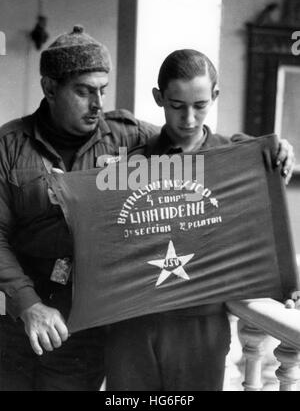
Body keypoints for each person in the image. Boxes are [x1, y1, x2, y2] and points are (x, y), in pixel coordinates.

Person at [104, 49, 296, 391]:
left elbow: (260, 233)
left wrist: (282, 282)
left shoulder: (240, 160)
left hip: (202, 327)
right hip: (132, 323)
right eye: (177, 106)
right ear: (159, 98)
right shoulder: (129, 166)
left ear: (216, 97)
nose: (189, 119)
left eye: (200, 105)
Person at [0, 25, 158, 391]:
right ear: (50, 88)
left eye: (102, 90)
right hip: (14, 321)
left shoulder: (128, 136)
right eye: (84, 92)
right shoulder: (8, 146)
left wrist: (263, 148)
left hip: (82, 328)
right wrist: (29, 306)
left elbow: (196, 145)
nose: (98, 104)